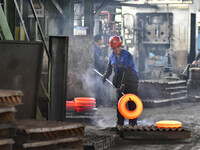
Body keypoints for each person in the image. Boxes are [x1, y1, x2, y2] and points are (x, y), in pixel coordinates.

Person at [102, 35, 139, 127]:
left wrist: (123, 84)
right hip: (120, 81)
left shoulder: (127, 55)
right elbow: (109, 69)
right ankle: (120, 123)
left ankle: (133, 123)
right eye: (114, 48)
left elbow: (127, 71)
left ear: (120, 45)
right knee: (120, 103)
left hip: (131, 81)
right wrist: (105, 75)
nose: (117, 49)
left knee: (131, 102)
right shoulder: (111, 57)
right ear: (112, 48)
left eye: (118, 47)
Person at [94, 34, 107, 106]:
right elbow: (95, 60)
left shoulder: (97, 48)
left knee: (98, 85)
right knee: (96, 85)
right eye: (101, 40)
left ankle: (98, 102)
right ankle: (96, 102)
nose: (102, 41)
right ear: (99, 40)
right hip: (95, 70)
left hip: (98, 69)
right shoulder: (94, 49)